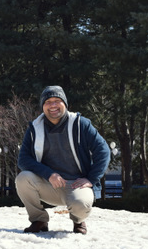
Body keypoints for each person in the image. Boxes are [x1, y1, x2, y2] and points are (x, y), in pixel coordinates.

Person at [15, 86, 111, 235]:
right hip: (49, 185)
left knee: (81, 204)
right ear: (42, 106)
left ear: (65, 104)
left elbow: (103, 150)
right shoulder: (35, 127)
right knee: (23, 178)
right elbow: (23, 159)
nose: (53, 105)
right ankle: (39, 220)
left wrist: (91, 178)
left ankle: (78, 221)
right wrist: (48, 174)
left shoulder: (81, 124)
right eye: (48, 101)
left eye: (57, 100)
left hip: (76, 185)